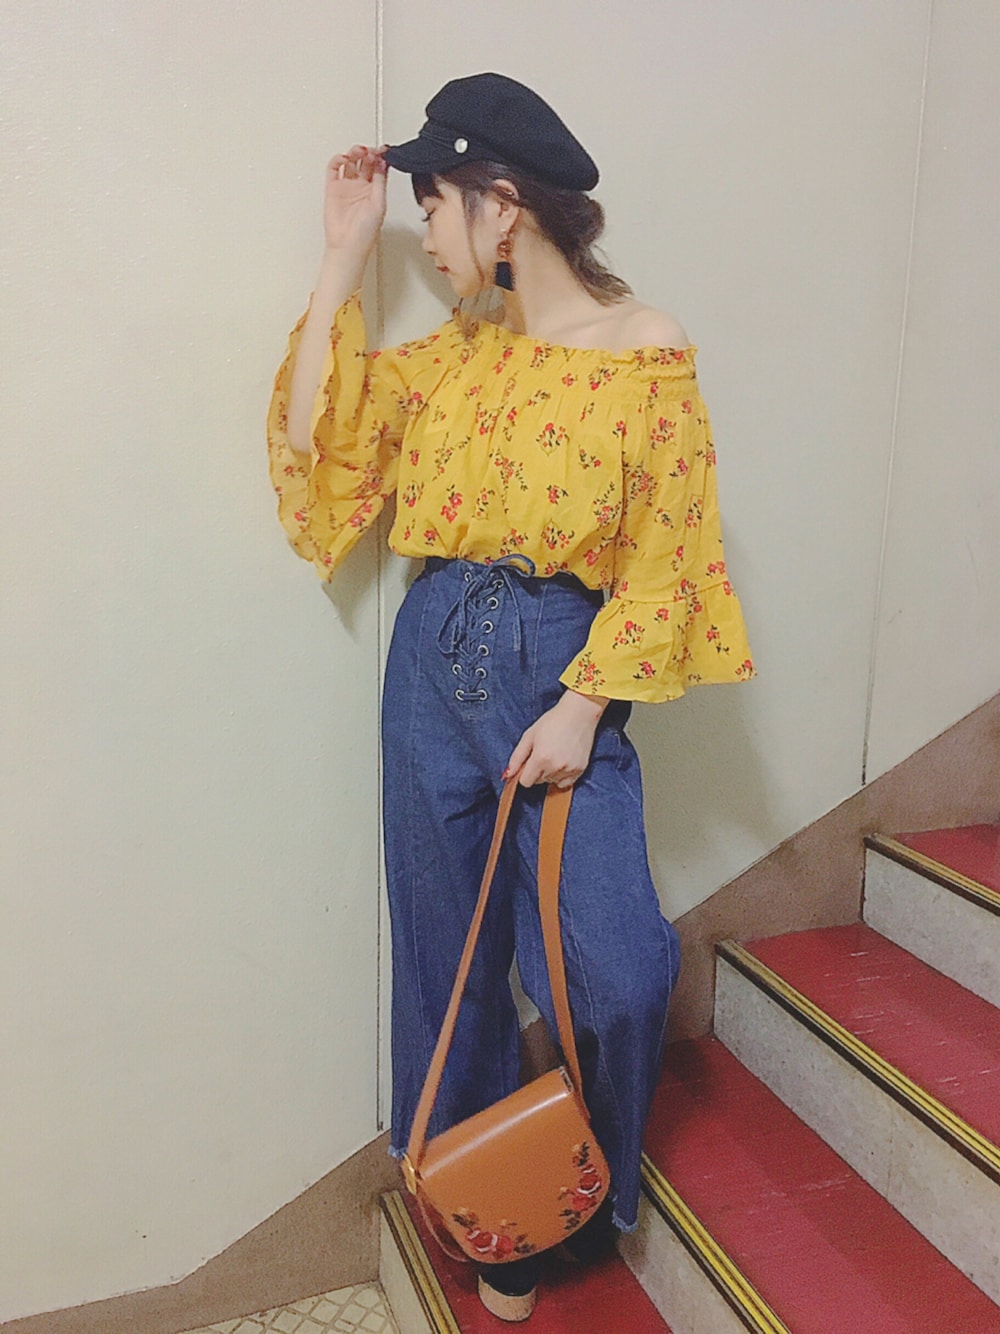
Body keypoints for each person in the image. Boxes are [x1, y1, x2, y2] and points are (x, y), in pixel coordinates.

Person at [268, 72, 754, 1323]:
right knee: (448, 959)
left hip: (557, 659)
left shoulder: (643, 348)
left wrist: (585, 706)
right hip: (430, 657)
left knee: (619, 969)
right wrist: (339, 261)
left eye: (433, 204)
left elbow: (668, 556)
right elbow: (322, 433)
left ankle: (585, 1183)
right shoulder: (461, 351)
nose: (425, 234)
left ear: (501, 202)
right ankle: (500, 1214)